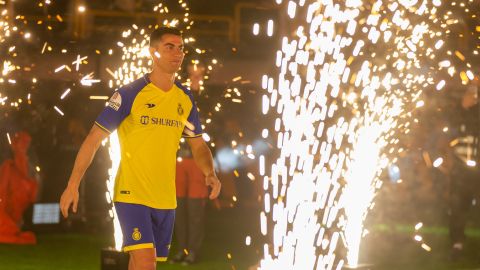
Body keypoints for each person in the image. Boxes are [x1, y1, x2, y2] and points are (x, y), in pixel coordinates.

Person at [60, 26, 221, 270]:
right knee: (146, 263)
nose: (177, 53)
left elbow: (198, 146)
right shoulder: (129, 94)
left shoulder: (185, 99)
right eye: (169, 47)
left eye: (181, 48)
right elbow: (94, 138)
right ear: (153, 52)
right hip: (131, 194)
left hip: (166, 198)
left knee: (140, 263)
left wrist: (210, 173)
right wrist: (72, 184)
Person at [446, 80, 480, 260]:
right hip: (461, 170)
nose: (472, 98)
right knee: (458, 206)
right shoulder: (457, 114)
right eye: (470, 94)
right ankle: (457, 243)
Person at [170, 149, 209, 265]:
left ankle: (193, 252)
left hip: (197, 160)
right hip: (178, 160)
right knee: (179, 215)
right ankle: (182, 250)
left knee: (195, 214)